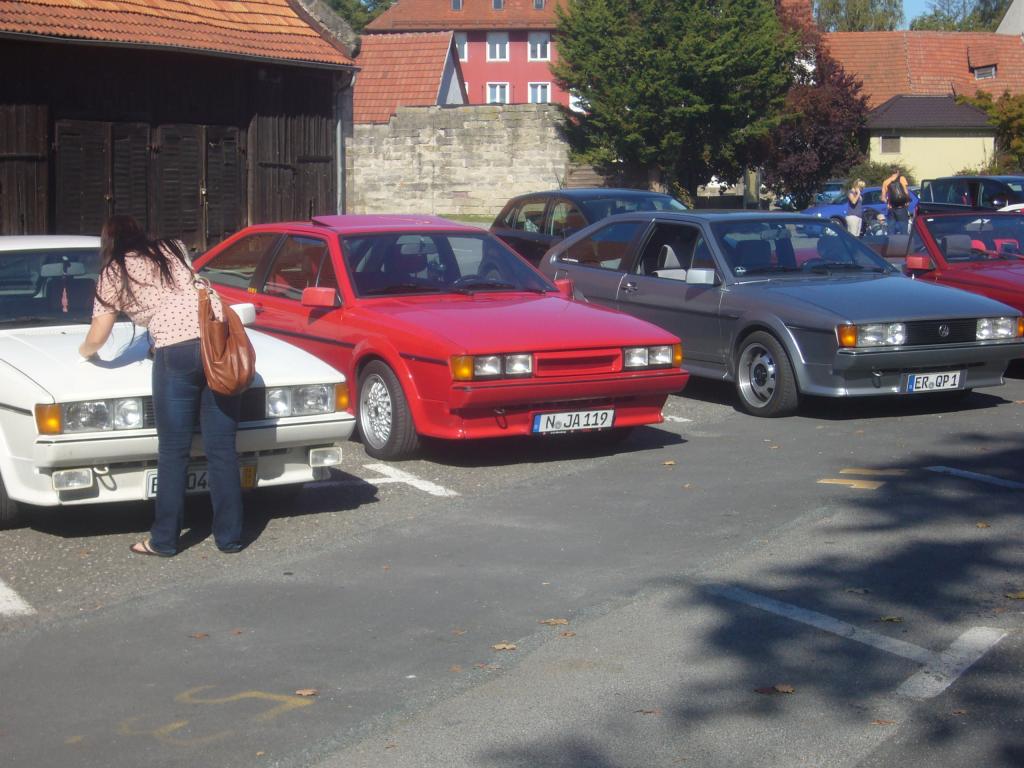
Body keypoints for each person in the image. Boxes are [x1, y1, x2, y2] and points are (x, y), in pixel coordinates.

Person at [79, 215, 245, 557]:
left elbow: (99, 333)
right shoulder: (173, 248)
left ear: (108, 242)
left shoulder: (113, 271)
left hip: (176, 353)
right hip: (216, 346)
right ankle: (230, 538)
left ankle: (165, 540)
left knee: (173, 452)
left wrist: (84, 353)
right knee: (222, 449)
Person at [881, 168, 911, 235]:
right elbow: (906, 192)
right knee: (903, 230)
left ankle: (891, 241)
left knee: (891, 230)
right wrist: (908, 201)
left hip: (891, 208)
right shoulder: (902, 178)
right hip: (901, 207)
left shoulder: (885, 182)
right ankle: (903, 241)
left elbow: (883, 198)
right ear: (897, 172)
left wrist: (888, 202)